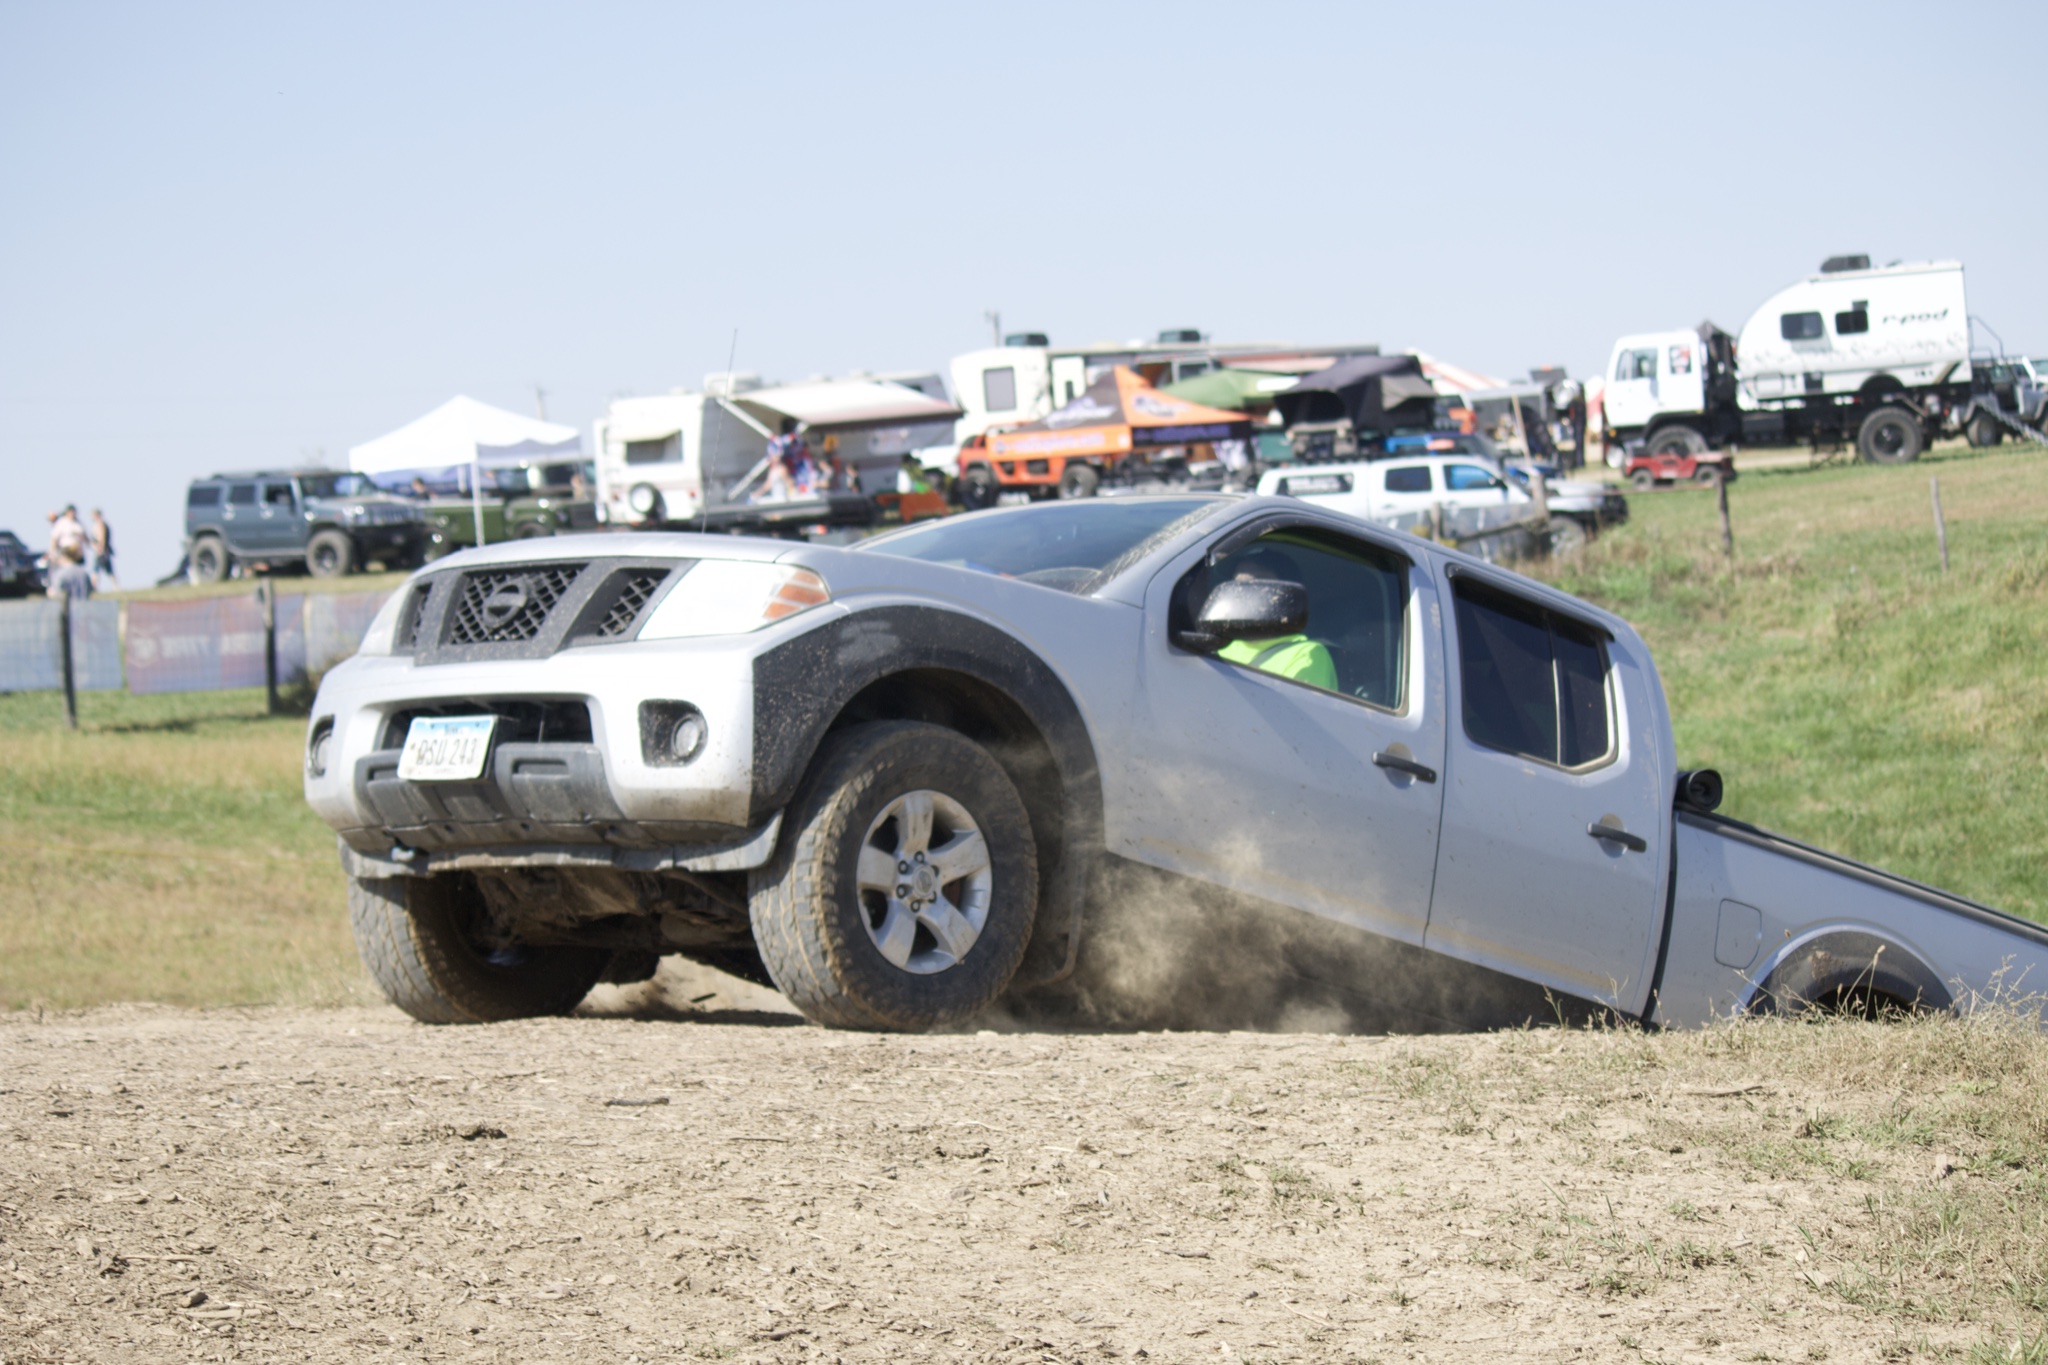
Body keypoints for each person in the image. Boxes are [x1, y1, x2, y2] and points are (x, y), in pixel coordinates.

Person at [1215, 546, 1337, 690]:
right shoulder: (1218, 644)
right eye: (1236, 585)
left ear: (1286, 597)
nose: (1240, 593)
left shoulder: (1307, 654)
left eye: (1255, 584)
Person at [88, 509, 117, 590]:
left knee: (96, 569)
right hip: (104, 550)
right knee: (109, 570)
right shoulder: (102, 524)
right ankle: (115, 587)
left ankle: (94, 587)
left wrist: (100, 548)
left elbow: (102, 537)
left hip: (101, 551)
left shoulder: (100, 524)